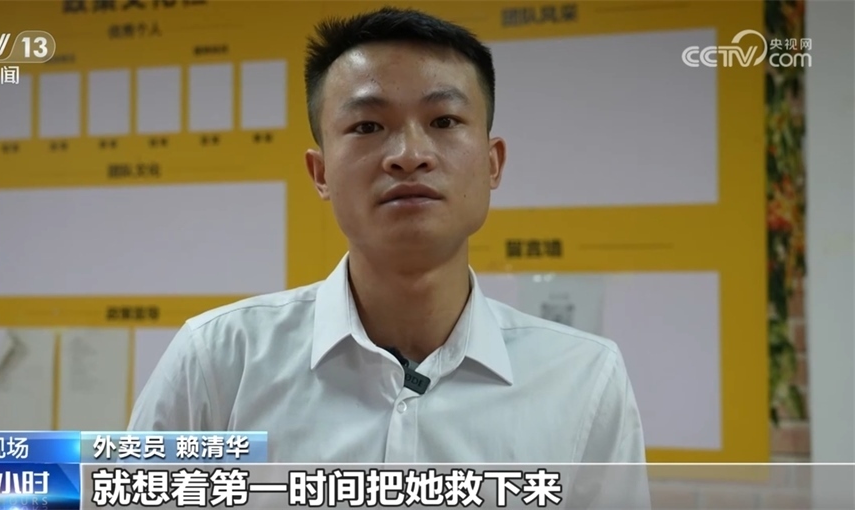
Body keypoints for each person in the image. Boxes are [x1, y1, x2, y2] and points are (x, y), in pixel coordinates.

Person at [129, 7, 647, 472]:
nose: (409, 155)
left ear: (493, 164)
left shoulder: (583, 378)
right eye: (368, 126)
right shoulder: (220, 360)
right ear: (320, 173)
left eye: (444, 121)